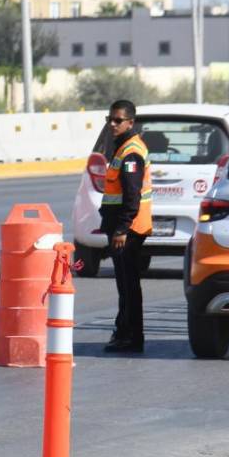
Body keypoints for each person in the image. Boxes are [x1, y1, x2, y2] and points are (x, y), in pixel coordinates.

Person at [100, 100, 152, 354]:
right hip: (124, 229)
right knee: (125, 285)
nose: (112, 124)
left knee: (129, 286)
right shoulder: (122, 148)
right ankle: (125, 332)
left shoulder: (131, 152)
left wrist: (121, 229)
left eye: (118, 120)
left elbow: (133, 196)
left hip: (128, 232)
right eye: (110, 119)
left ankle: (131, 336)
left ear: (131, 122)